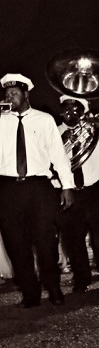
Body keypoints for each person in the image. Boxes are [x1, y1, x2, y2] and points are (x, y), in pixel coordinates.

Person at [0, 73, 75, 307]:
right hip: (8, 189)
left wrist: (67, 186)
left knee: (45, 241)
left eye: (14, 93)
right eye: (6, 93)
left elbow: (59, 157)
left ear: (26, 93)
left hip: (38, 187)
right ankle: (30, 292)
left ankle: (53, 286)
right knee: (15, 243)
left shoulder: (44, 120)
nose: (9, 96)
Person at [56, 95, 99, 293]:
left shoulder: (95, 130)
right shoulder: (55, 133)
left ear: (83, 111)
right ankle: (82, 278)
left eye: (75, 108)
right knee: (73, 239)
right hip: (69, 191)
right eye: (66, 108)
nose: (70, 112)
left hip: (95, 189)